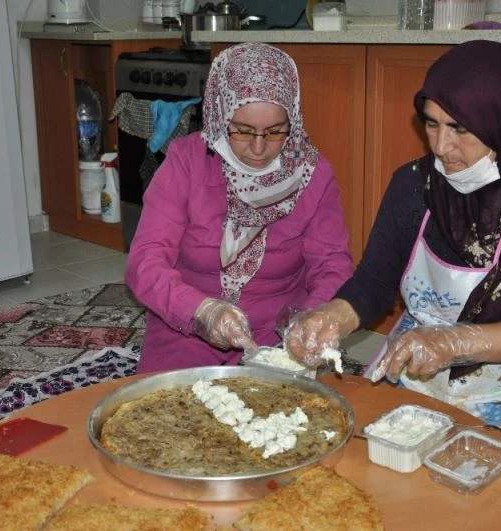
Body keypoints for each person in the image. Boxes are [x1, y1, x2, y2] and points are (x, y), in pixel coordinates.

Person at [285, 40, 501, 521]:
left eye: (460, 128)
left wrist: (455, 341)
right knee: (377, 479)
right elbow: (374, 281)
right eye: (431, 123)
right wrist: (333, 315)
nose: (441, 146)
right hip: (420, 362)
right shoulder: (413, 184)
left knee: (497, 502)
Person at [126, 43, 352, 373]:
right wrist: (203, 312)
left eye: (275, 132)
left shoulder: (313, 174)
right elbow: (145, 263)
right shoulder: (186, 162)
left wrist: (313, 320)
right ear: (221, 116)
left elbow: (332, 265)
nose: (258, 148)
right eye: (243, 131)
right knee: (169, 404)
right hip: (187, 329)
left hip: (278, 339)